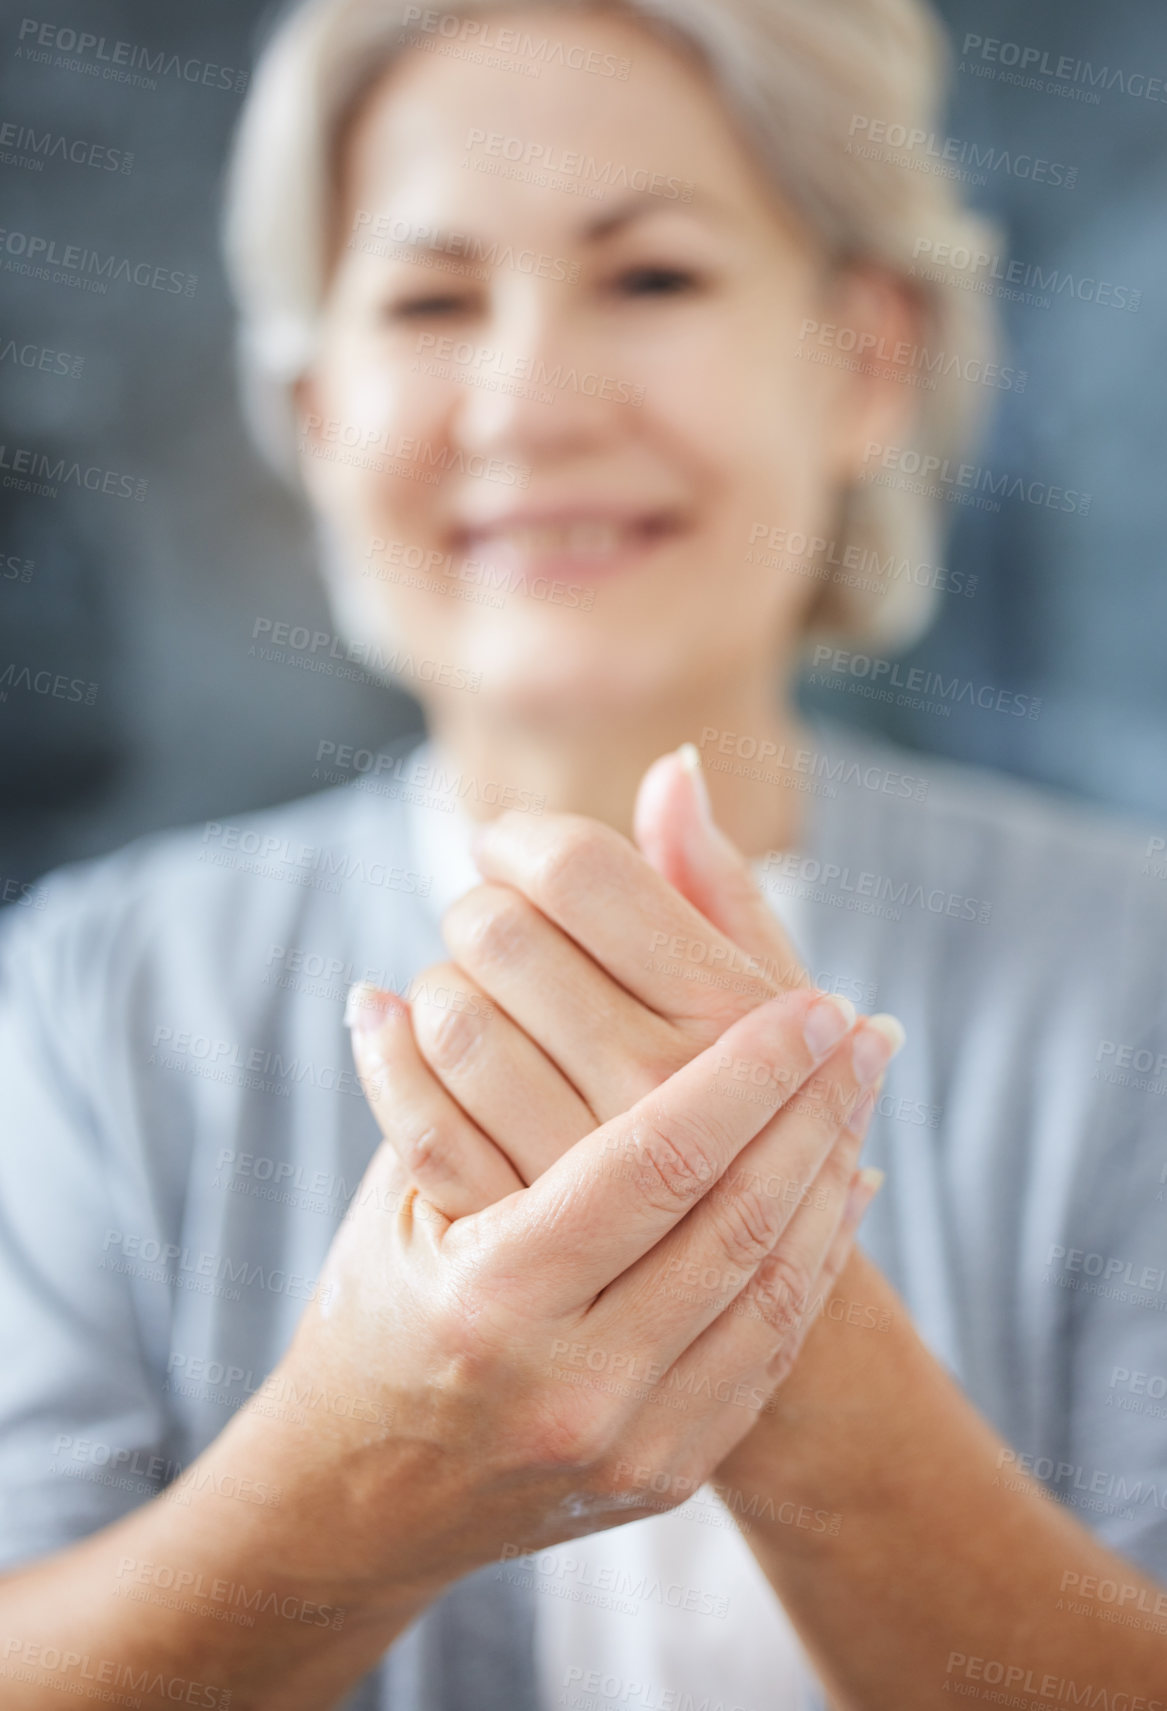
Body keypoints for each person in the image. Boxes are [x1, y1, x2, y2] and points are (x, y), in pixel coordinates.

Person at [1, 0, 1165, 1706]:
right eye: (429, 299)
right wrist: (356, 1473)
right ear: (322, 418)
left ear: (864, 361)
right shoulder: (89, 1002)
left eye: (652, 279)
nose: (530, 401)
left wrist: (779, 1330)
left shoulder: (1141, 979)